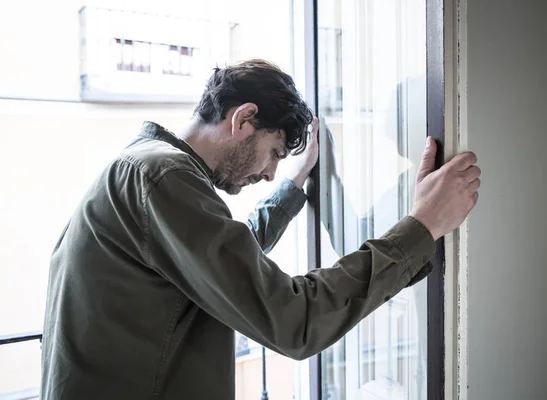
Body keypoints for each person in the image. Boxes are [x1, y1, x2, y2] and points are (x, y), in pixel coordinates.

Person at [41, 59, 481, 399]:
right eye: (273, 152)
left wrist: (292, 188)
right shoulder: (163, 177)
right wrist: (423, 225)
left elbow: (223, 262)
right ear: (243, 119)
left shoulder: (145, 167)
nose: (269, 173)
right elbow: (294, 318)